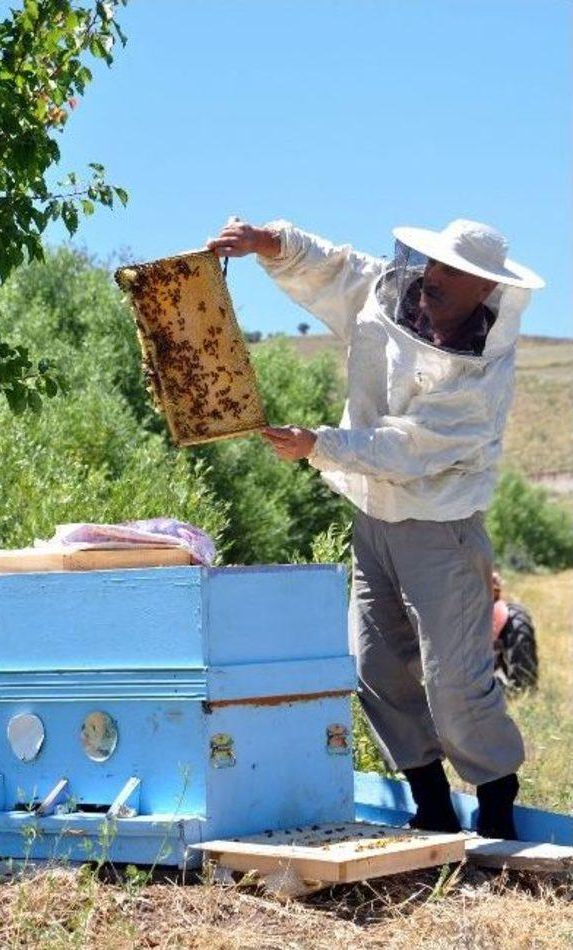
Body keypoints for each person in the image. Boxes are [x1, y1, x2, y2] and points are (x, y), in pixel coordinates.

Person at [207, 216, 545, 839]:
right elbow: (336, 268)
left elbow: (408, 449)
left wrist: (320, 444)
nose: (435, 278)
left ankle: (497, 806)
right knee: (375, 667)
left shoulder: (479, 376)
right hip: (374, 519)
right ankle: (432, 806)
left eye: (454, 272)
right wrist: (270, 242)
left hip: (440, 528)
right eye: (436, 264)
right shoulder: (392, 291)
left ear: (486, 290)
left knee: (454, 683)